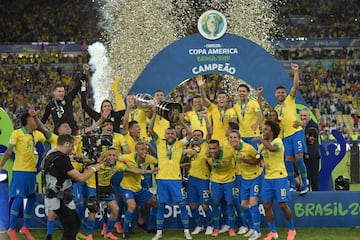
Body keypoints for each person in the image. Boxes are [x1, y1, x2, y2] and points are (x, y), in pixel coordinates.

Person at [85, 147, 156, 240]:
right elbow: (87, 166)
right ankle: (89, 234)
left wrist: (149, 171)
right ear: (106, 156)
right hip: (93, 186)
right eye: (109, 155)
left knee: (116, 209)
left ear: (117, 157)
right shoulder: (99, 164)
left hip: (106, 187)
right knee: (93, 209)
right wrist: (94, 163)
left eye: (114, 155)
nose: (111, 157)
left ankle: (108, 232)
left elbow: (134, 170)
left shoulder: (118, 165)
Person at [42, 134, 100, 240]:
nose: (72, 150)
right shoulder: (62, 159)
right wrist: (94, 169)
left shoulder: (51, 153)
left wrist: (76, 160)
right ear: (66, 144)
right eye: (71, 146)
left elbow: (59, 172)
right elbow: (80, 178)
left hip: (56, 195)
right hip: (59, 198)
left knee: (75, 223)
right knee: (71, 227)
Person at [0, 112, 48, 240]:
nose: (35, 122)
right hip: (20, 171)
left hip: (31, 172)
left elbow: (48, 136)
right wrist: (1, 165)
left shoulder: (36, 134)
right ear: (28, 122)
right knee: (18, 198)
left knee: (32, 198)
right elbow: (9, 151)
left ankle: (25, 227)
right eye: (33, 120)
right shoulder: (17, 134)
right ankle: (11, 228)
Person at [149, 111, 193, 240]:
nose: (170, 135)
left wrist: (182, 122)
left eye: (172, 133)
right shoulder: (159, 143)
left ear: (176, 135)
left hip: (175, 180)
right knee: (161, 206)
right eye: (168, 133)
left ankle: (186, 231)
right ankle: (159, 232)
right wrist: (154, 115)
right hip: (161, 180)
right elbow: (150, 130)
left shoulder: (179, 144)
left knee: (182, 205)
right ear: (164, 135)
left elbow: (190, 134)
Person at [256, 120, 296, 240]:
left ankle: (292, 230)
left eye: (266, 129)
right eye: (263, 129)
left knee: (283, 205)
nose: (263, 131)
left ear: (272, 132)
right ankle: (273, 232)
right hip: (267, 178)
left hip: (280, 177)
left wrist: (261, 140)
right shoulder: (262, 145)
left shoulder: (277, 141)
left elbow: (273, 149)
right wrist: (262, 162)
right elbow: (260, 158)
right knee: (266, 205)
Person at [274, 63, 309, 194]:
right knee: (288, 161)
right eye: (279, 93)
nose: (281, 94)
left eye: (282, 92)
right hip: (285, 137)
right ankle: (292, 185)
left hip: (296, 133)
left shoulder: (289, 99)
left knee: (299, 158)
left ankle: (305, 184)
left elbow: (295, 86)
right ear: (275, 95)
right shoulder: (276, 109)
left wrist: (296, 71)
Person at [119, 142, 158, 239]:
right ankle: (125, 231)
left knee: (155, 202)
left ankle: (148, 225)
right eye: (142, 149)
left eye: (145, 149)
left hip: (138, 188)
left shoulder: (148, 158)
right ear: (136, 151)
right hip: (126, 187)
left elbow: (157, 160)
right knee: (132, 206)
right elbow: (116, 158)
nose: (144, 151)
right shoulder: (128, 157)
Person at [229, 130, 262, 240]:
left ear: (239, 138)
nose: (232, 140)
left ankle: (257, 231)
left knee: (253, 203)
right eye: (231, 137)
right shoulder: (232, 149)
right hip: (244, 179)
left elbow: (258, 159)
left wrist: (245, 160)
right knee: (243, 205)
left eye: (235, 137)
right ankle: (252, 228)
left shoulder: (248, 148)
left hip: (256, 177)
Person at [41, 64, 88, 135]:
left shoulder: (68, 98)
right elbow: (43, 121)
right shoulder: (50, 106)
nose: (61, 93)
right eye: (59, 91)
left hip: (72, 133)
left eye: (63, 91)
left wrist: (84, 72)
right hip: (59, 135)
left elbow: (77, 86)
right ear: (54, 92)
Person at [183, 128, 213, 235]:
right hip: (192, 179)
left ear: (202, 137)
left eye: (198, 135)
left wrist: (205, 118)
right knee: (192, 204)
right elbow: (185, 158)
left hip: (203, 180)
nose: (196, 137)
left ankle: (210, 225)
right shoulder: (190, 149)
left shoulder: (206, 146)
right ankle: (199, 225)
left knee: (205, 205)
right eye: (194, 135)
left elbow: (209, 132)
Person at [206, 139, 236, 237]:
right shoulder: (207, 156)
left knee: (230, 203)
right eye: (210, 149)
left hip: (229, 180)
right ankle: (216, 228)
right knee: (215, 204)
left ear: (219, 148)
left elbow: (238, 153)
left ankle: (231, 228)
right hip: (216, 181)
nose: (212, 151)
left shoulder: (228, 152)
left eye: (214, 148)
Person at [197, 75, 237, 141]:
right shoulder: (213, 108)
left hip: (227, 141)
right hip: (215, 140)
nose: (222, 99)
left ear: (227, 99)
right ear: (217, 99)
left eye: (223, 98)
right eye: (220, 98)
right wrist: (201, 87)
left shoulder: (231, 111)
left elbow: (234, 124)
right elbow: (204, 99)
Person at [233, 83, 263, 150]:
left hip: (253, 135)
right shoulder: (236, 106)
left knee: (255, 155)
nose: (242, 93)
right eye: (240, 91)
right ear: (237, 93)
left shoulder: (253, 103)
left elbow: (260, 116)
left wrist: (256, 124)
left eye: (244, 91)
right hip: (242, 136)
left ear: (248, 93)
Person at [300, 108, 320, 191]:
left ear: (309, 115)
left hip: (312, 154)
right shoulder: (303, 125)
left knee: (313, 178)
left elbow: (310, 139)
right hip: (306, 154)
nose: (303, 117)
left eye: (305, 115)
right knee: (307, 177)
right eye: (301, 116)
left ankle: (316, 198)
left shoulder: (313, 125)